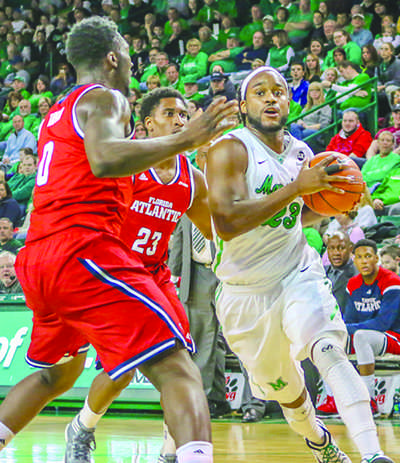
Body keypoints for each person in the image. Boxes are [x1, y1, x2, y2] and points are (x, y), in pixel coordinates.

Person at [0, 16, 237, 463]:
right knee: (177, 367)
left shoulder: (60, 108)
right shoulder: (106, 98)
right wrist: (186, 137)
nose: (131, 59)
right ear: (112, 57)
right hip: (84, 254)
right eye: (127, 52)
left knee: (57, 376)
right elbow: (106, 159)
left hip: (41, 258)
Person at [206, 65, 394, 463]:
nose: (271, 97)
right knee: (288, 392)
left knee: (327, 347)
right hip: (244, 295)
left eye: (279, 91)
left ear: (289, 101)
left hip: (297, 272)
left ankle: (372, 453)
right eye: (260, 91)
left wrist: (337, 201)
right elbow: (226, 223)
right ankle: (320, 442)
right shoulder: (230, 150)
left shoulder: (303, 154)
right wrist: (297, 189)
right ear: (243, 105)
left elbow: (297, 214)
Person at [345, 239, 400, 412]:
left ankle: (368, 400)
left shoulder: (392, 281)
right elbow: (349, 319)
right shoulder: (353, 284)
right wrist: (339, 332)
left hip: (393, 337)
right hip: (369, 338)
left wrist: (346, 329)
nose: (364, 261)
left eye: (368, 256)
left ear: (376, 258)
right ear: (354, 260)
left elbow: (383, 323)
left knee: (361, 336)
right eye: (359, 257)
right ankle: (331, 395)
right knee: (328, 340)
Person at [324, 231, 358, 314]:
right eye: (331, 248)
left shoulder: (357, 275)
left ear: (350, 249)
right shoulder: (320, 272)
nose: (336, 253)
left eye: (341, 248)